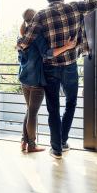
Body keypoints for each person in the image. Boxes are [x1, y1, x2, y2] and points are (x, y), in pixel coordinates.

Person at [17, 0, 97, 159]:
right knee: (71, 103)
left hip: (50, 67)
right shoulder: (74, 7)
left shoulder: (41, 15)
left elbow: (25, 41)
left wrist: (20, 44)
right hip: (70, 66)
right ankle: (63, 140)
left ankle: (56, 149)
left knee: (53, 109)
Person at [18, 8, 76, 152]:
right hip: (36, 80)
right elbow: (48, 53)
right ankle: (31, 145)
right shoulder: (37, 36)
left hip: (25, 79)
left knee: (30, 111)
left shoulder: (22, 37)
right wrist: (67, 46)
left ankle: (24, 141)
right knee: (32, 113)